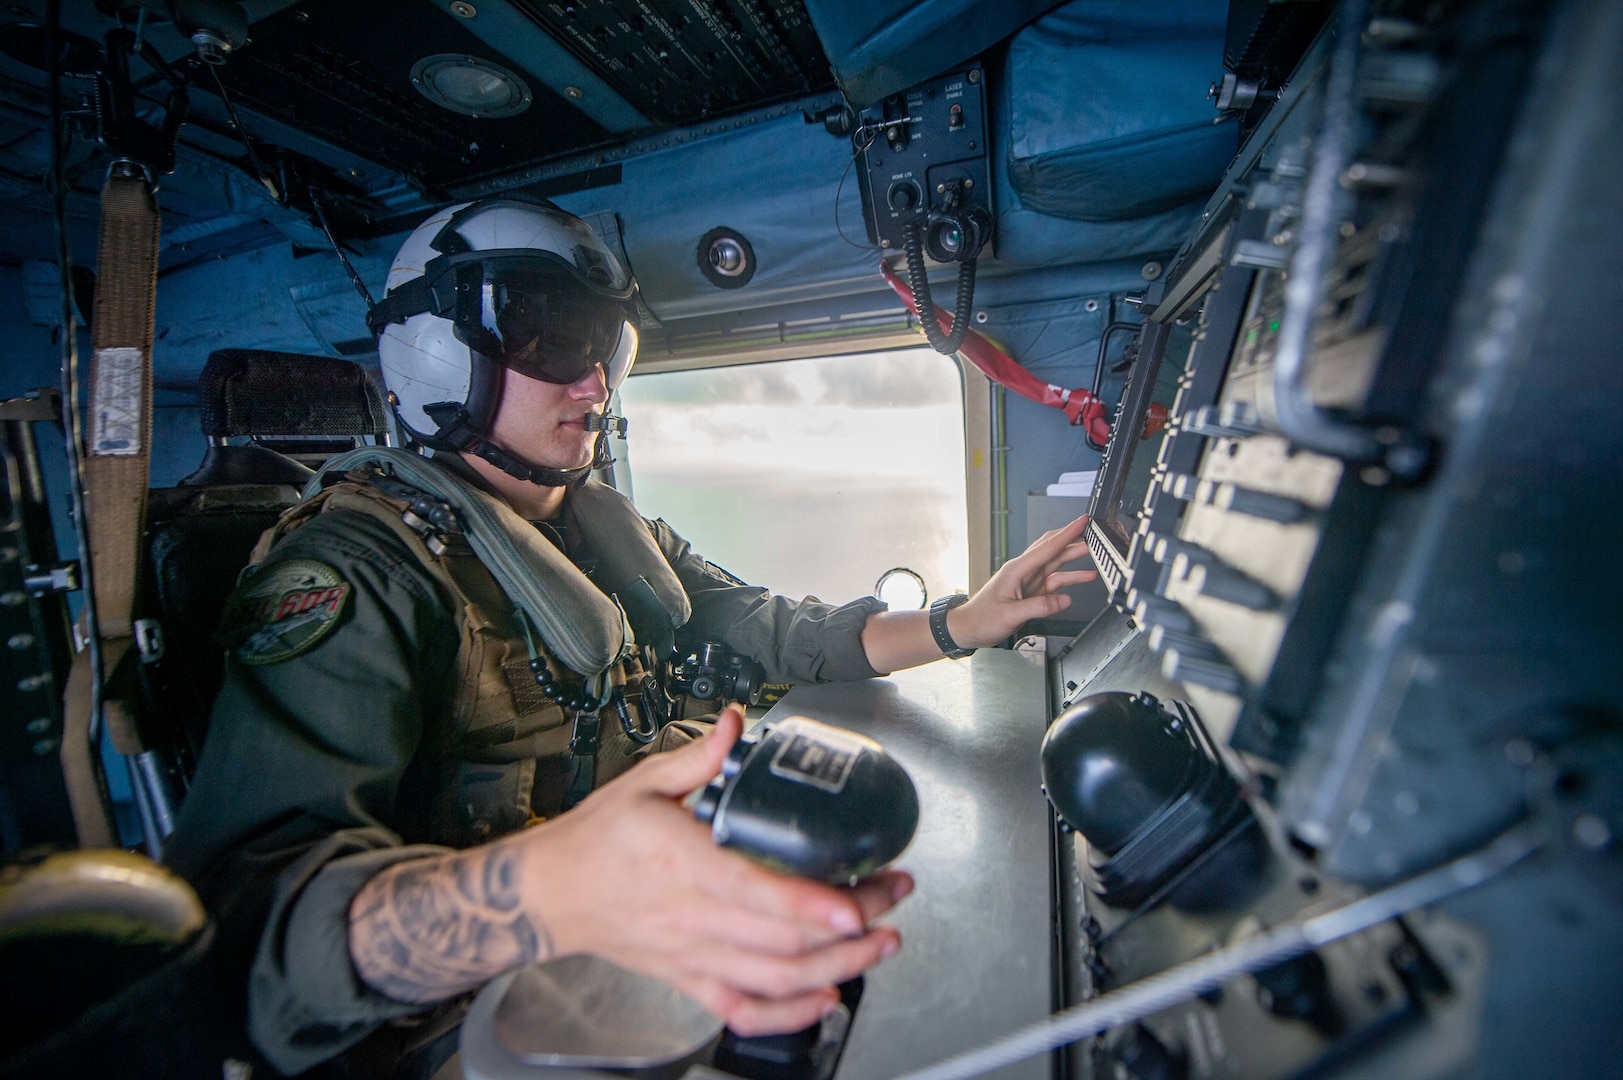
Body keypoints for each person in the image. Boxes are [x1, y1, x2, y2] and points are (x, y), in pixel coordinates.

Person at [164, 197, 1097, 1078]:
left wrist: (962, 622)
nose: (595, 378)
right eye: (552, 336)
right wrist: (549, 889)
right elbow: (245, 936)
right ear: (441, 352)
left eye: (606, 342)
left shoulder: (602, 525)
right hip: (477, 1008)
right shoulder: (364, 570)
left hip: (641, 896)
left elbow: (772, 629)